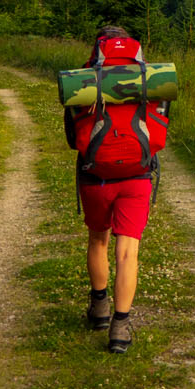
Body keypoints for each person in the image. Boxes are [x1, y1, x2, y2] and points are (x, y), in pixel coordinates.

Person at [65, 25, 169, 353]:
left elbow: (73, 139)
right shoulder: (150, 79)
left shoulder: (85, 79)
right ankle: (120, 328)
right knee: (127, 251)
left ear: (98, 48)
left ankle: (99, 308)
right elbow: (160, 126)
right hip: (137, 174)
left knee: (98, 238)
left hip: (96, 175)